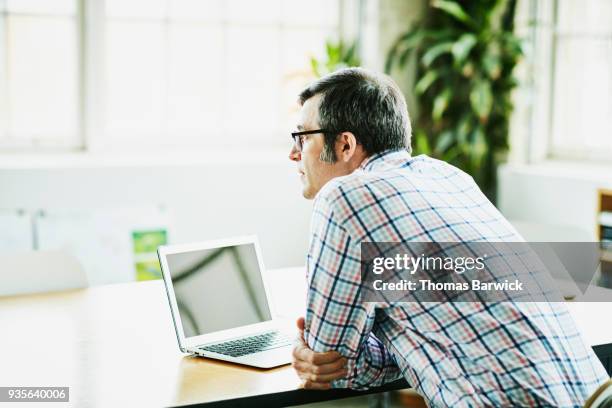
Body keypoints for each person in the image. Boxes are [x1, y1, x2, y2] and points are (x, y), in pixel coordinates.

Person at [288, 67, 609, 406]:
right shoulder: (450, 178)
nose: (294, 154)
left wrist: (323, 350)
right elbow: (444, 334)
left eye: (303, 138)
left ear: (345, 144)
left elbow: (334, 366)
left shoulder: (342, 196)